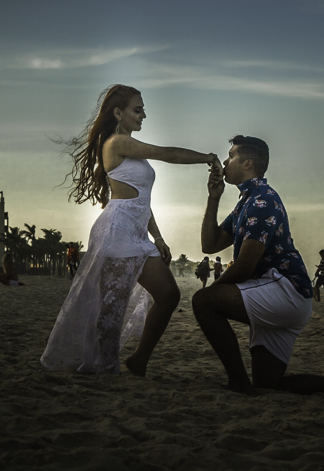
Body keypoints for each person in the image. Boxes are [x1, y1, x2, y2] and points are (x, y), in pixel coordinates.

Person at [40, 85, 219, 376]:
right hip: (116, 231)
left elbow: (141, 201)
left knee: (168, 295)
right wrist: (208, 157)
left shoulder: (131, 148)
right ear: (118, 113)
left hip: (137, 232)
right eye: (138, 110)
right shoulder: (116, 143)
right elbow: (168, 154)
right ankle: (104, 366)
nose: (143, 115)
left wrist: (158, 237)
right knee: (112, 306)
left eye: (143, 110)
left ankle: (138, 360)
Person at [193, 135, 324, 398]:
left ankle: (238, 383)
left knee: (203, 301)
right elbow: (209, 245)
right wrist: (213, 199)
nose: (224, 161)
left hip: (284, 291)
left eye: (231, 156)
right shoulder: (247, 201)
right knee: (269, 383)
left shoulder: (262, 200)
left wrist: (212, 293)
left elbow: (244, 267)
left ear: (247, 163)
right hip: (285, 294)